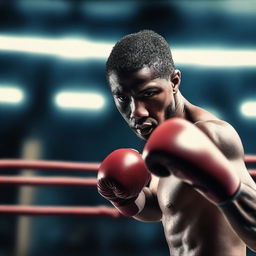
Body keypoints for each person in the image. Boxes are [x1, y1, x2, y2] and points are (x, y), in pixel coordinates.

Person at [97, 30, 256, 256]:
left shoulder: (211, 135)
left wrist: (223, 184)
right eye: (123, 98)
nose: (136, 112)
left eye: (148, 93)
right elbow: (164, 208)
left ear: (174, 81)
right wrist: (127, 199)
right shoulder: (161, 141)